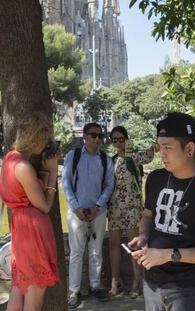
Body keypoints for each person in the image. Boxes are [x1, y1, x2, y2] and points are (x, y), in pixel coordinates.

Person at [129, 112, 195, 311]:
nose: (161, 154)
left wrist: (169, 255)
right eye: (159, 147)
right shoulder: (155, 179)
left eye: (167, 147)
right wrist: (143, 236)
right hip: (151, 284)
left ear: (189, 149)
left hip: (187, 289)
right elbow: (148, 215)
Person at [0, 113, 59, 310]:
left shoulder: (9, 158)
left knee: (19, 287)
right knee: (35, 295)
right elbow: (45, 206)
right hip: (33, 233)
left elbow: (24, 192)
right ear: (37, 138)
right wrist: (52, 174)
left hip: (21, 231)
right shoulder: (23, 166)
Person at [62, 122, 114, 308]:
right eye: (93, 135)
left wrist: (98, 206)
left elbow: (109, 185)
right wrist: (76, 207)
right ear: (84, 136)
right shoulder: (73, 156)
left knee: (96, 251)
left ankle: (95, 285)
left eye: (100, 136)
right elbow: (66, 183)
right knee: (76, 252)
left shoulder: (105, 159)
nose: (97, 139)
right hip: (76, 212)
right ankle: (74, 290)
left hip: (98, 212)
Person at [108, 126, 156, 298]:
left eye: (121, 139)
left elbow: (149, 156)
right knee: (113, 245)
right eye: (115, 140)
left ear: (127, 139)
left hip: (132, 208)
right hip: (114, 208)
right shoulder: (111, 160)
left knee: (133, 245)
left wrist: (154, 146)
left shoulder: (134, 157)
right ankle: (115, 280)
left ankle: (137, 280)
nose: (118, 142)